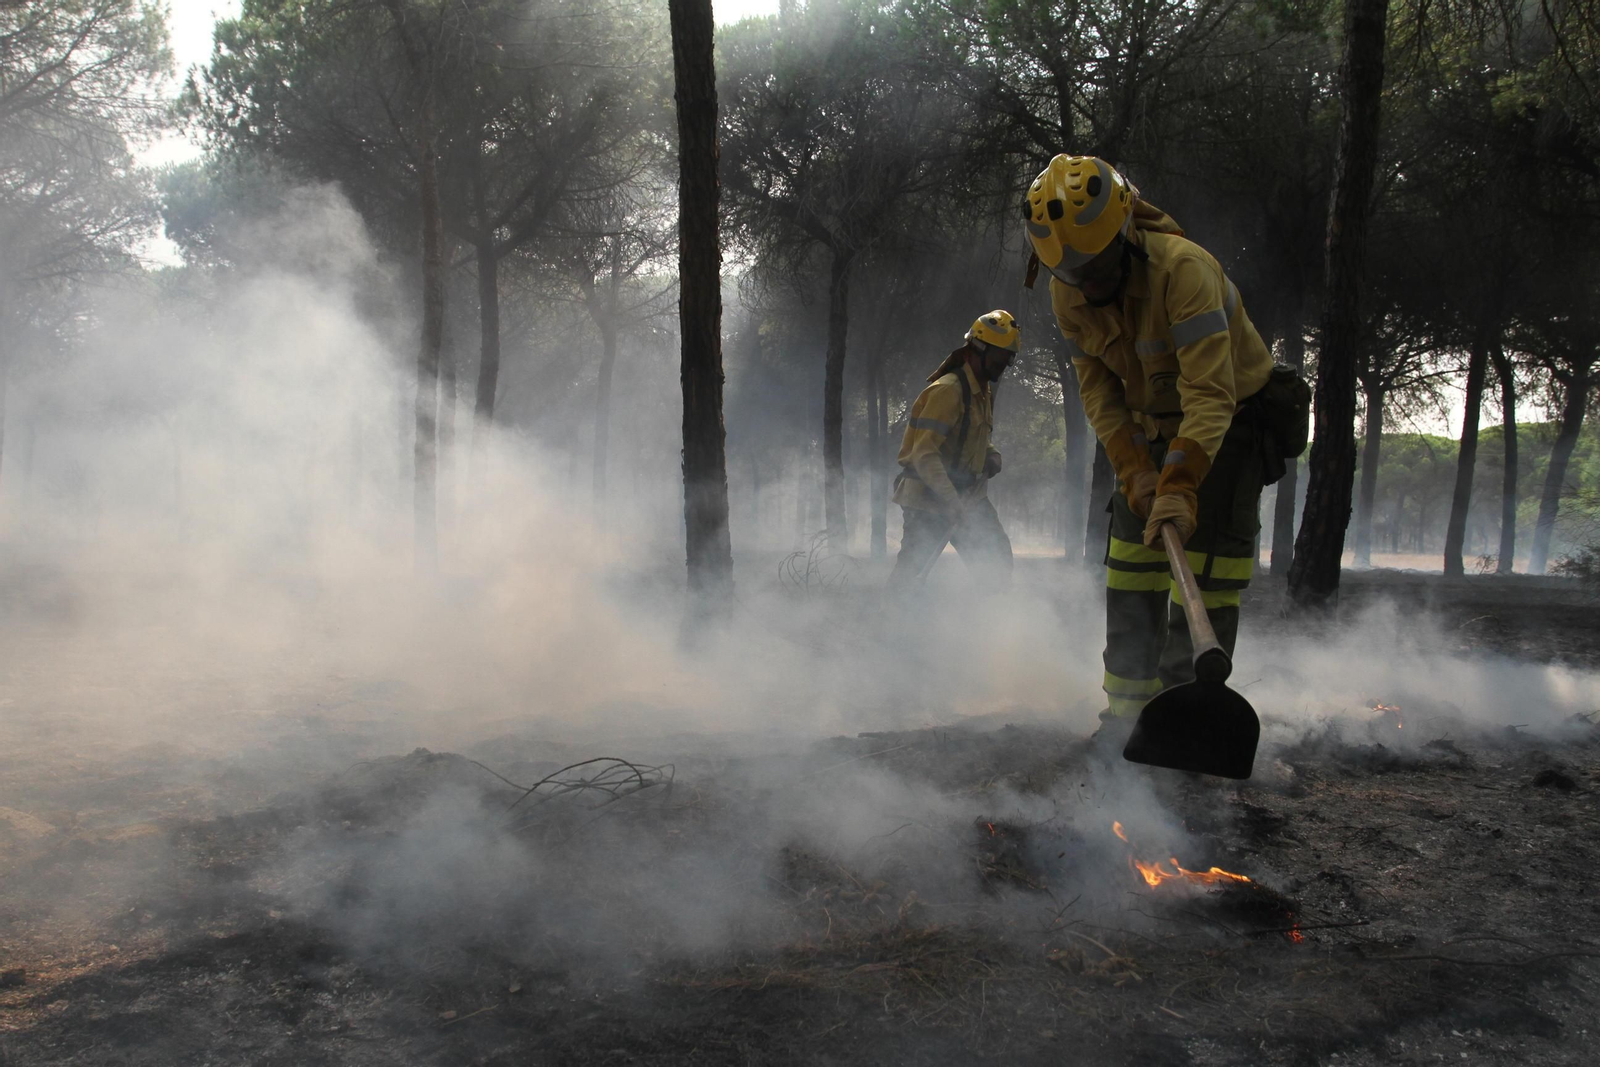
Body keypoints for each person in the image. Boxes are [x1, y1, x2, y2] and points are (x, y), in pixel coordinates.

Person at [1022, 154, 1272, 735]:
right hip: (1151, 425)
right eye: (1071, 273)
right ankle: (1128, 723)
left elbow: (1211, 395)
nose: (1089, 286)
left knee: (1206, 575)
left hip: (1229, 426)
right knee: (1132, 568)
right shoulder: (1071, 293)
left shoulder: (1185, 271)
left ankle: (1184, 726)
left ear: (1126, 232)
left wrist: (1181, 485)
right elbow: (1101, 394)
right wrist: (1134, 469)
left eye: (1097, 265)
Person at [887, 311, 1017, 589]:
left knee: (996, 562)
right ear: (978, 350)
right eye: (999, 359)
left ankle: (991, 625)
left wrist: (991, 453)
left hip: (968, 495)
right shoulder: (947, 391)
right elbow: (924, 454)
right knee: (912, 573)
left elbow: (971, 435)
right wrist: (951, 501)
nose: (1003, 367)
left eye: (1008, 360)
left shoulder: (981, 391)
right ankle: (892, 627)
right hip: (929, 497)